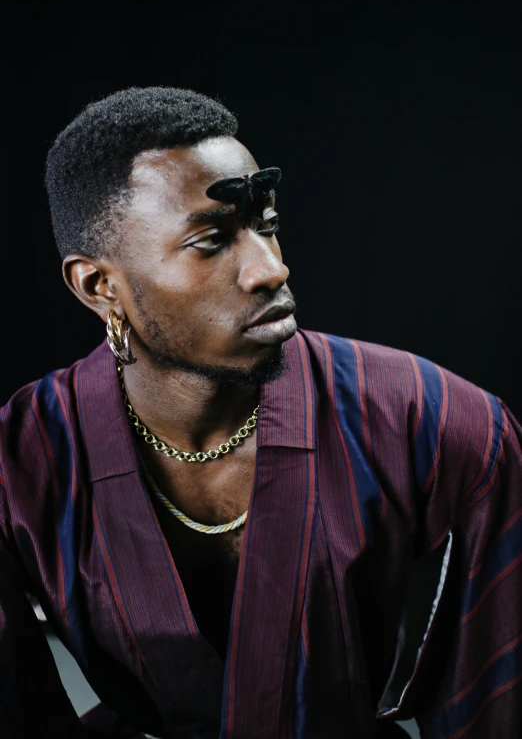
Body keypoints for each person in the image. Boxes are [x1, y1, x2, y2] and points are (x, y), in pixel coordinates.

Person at [0, 87, 520, 739]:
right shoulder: (22, 462)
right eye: (213, 240)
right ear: (99, 286)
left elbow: (498, 701)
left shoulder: (437, 424)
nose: (271, 268)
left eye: (266, 223)